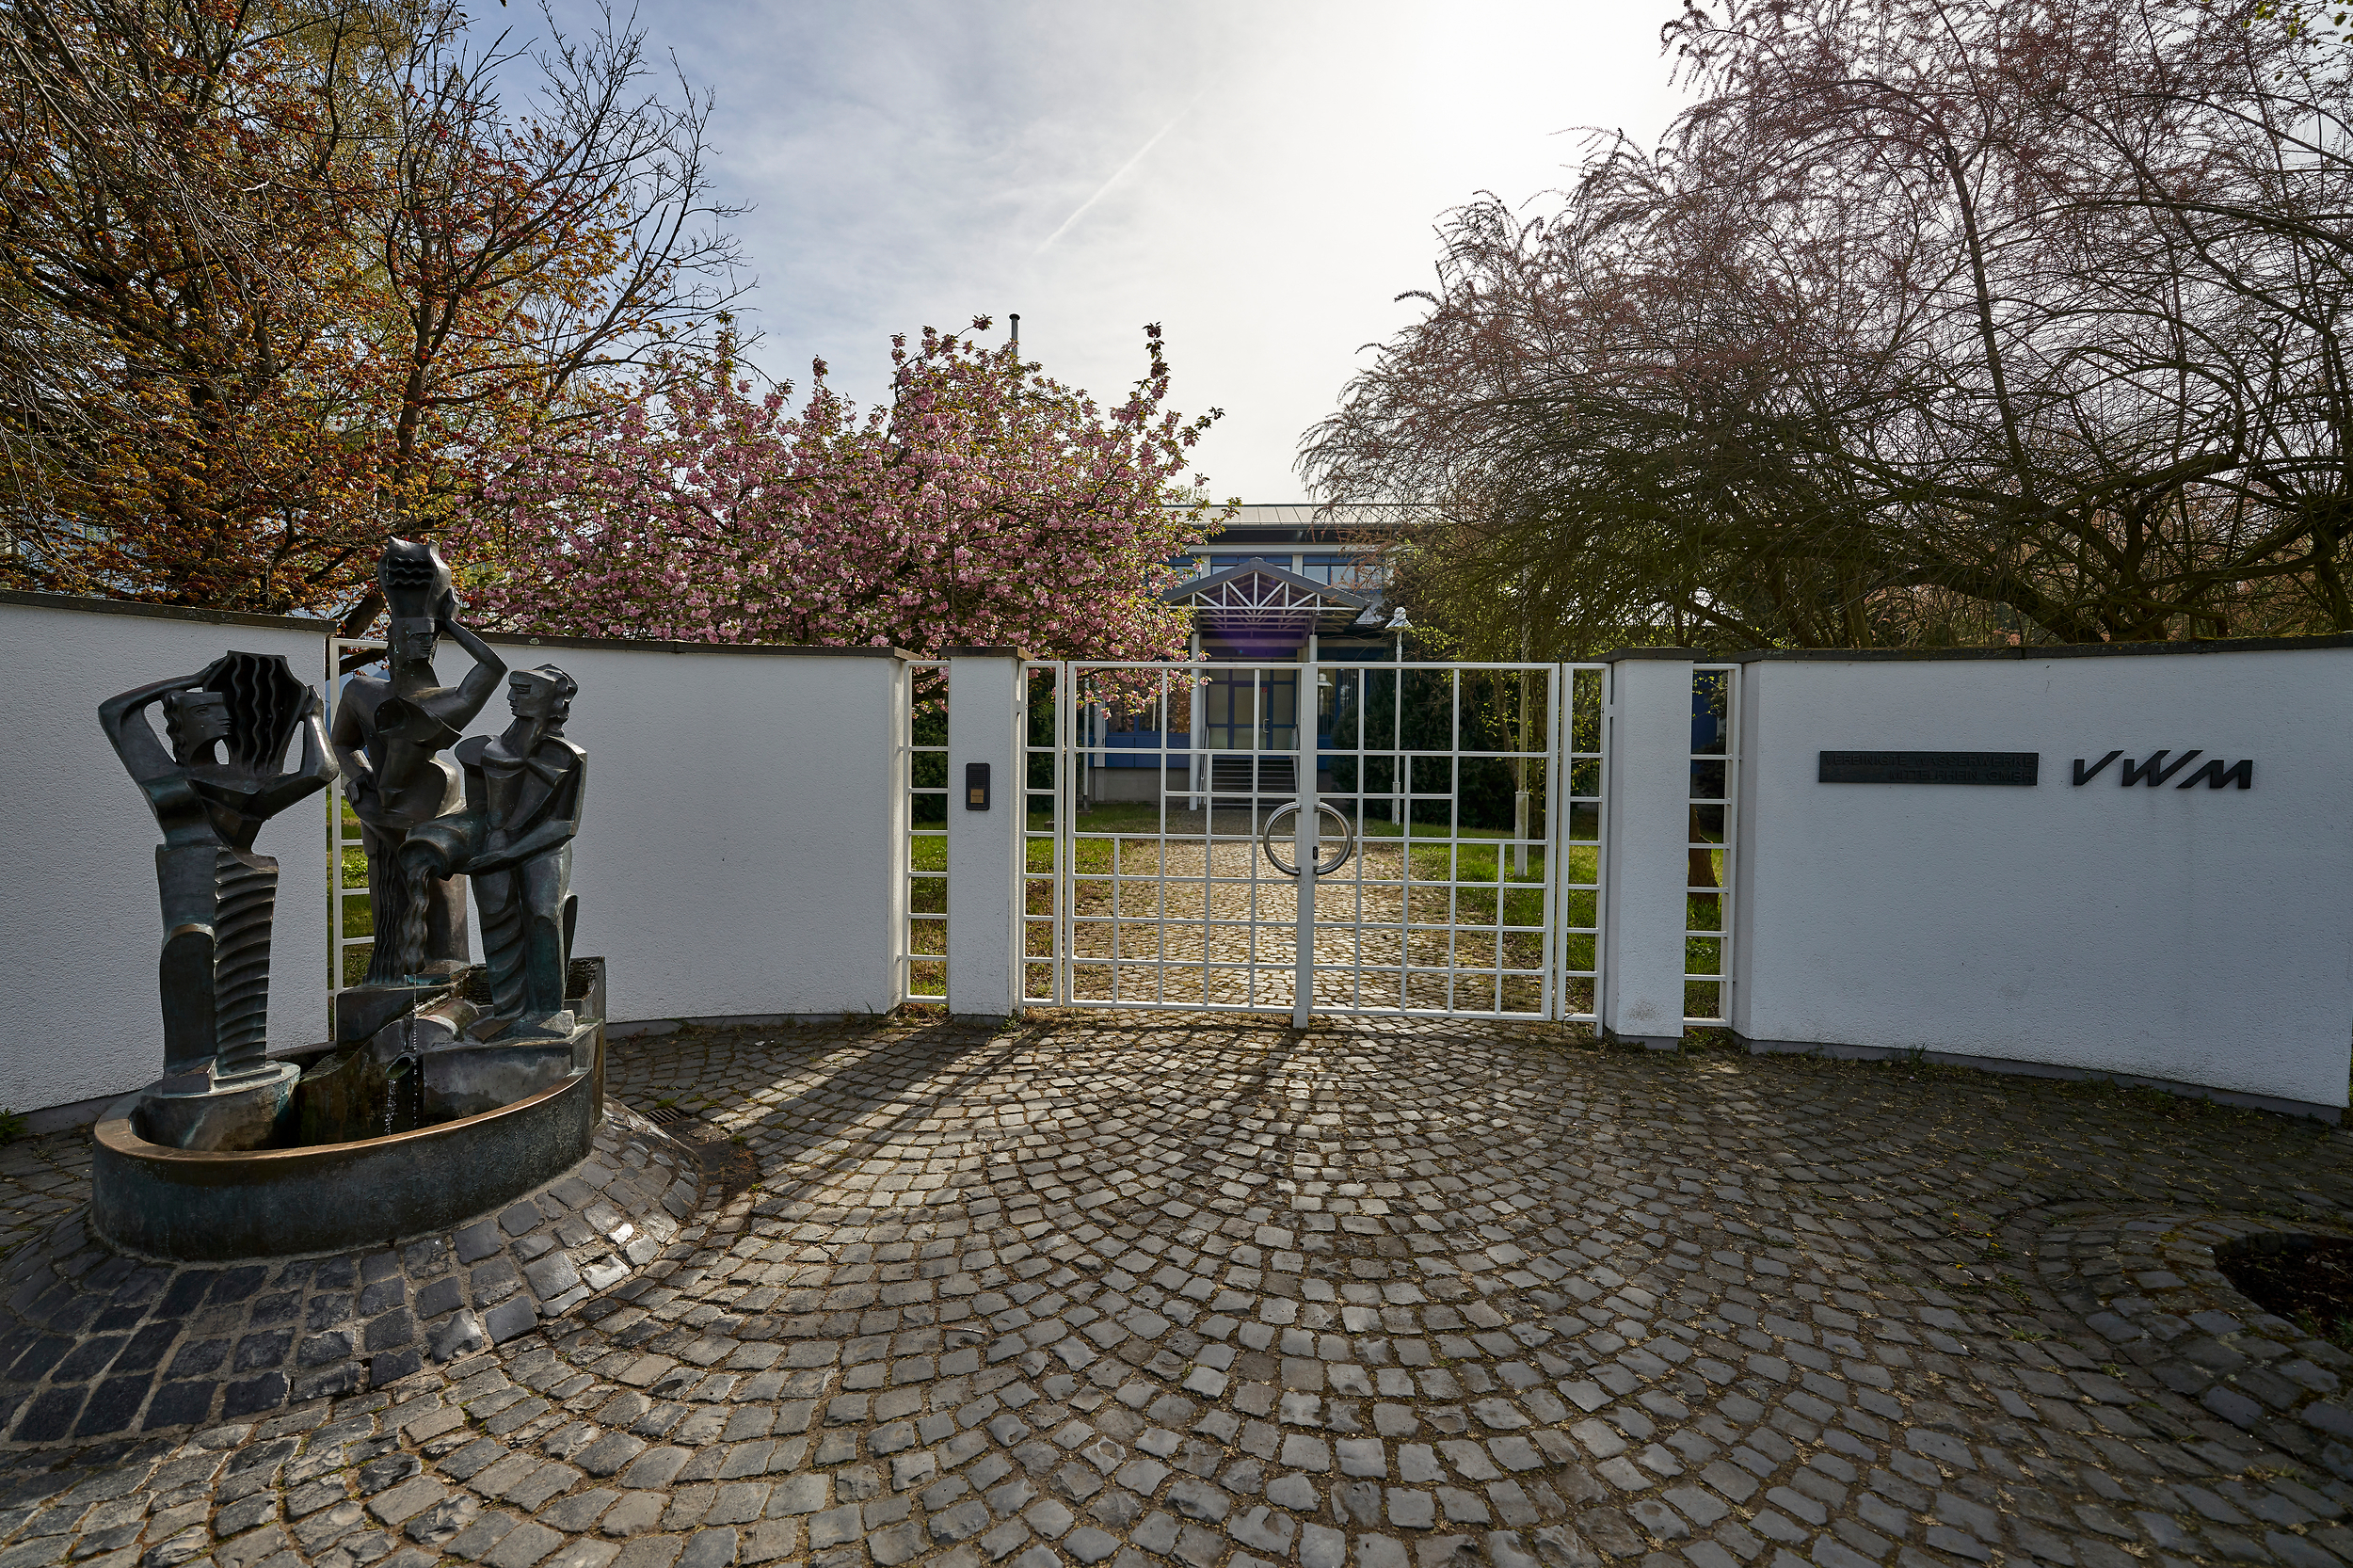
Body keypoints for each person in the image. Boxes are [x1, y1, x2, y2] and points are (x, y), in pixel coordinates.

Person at [101, 652, 335, 1089]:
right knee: (191, 945)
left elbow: (320, 771)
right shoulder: (166, 776)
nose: (223, 718)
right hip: (191, 873)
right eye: (206, 711)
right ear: (181, 726)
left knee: (242, 976)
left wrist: (313, 718)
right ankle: (189, 1067)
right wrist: (190, 679)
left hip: (247, 879)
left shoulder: (247, 780)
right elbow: (114, 713)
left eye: (224, 709)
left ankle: (241, 1062)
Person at [330, 538, 504, 982]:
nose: (415, 645)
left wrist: (452, 625)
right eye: (406, 636)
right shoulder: (361, 691)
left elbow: (491, 668)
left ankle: (446, 973)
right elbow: (341, 743)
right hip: (378, 808)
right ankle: (389, 975)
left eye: (426, 638)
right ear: (388, 640)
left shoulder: (447, 701)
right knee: (388, 898)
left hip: (431, 804)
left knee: (440, 895)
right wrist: (357, 778)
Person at [403, 664, 585, 1037]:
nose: (510, 697)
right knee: (497, 921)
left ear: (549, 701)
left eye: (522, 690)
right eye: (513, 689)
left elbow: (563, 825)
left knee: (542, 916)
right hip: (497, 843)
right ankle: (507, 1008)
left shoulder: (569, 756)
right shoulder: (487, 748)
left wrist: (509, 853)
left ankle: (547, 1011)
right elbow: (480, 808)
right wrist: (456, 837)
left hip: (544, 849)